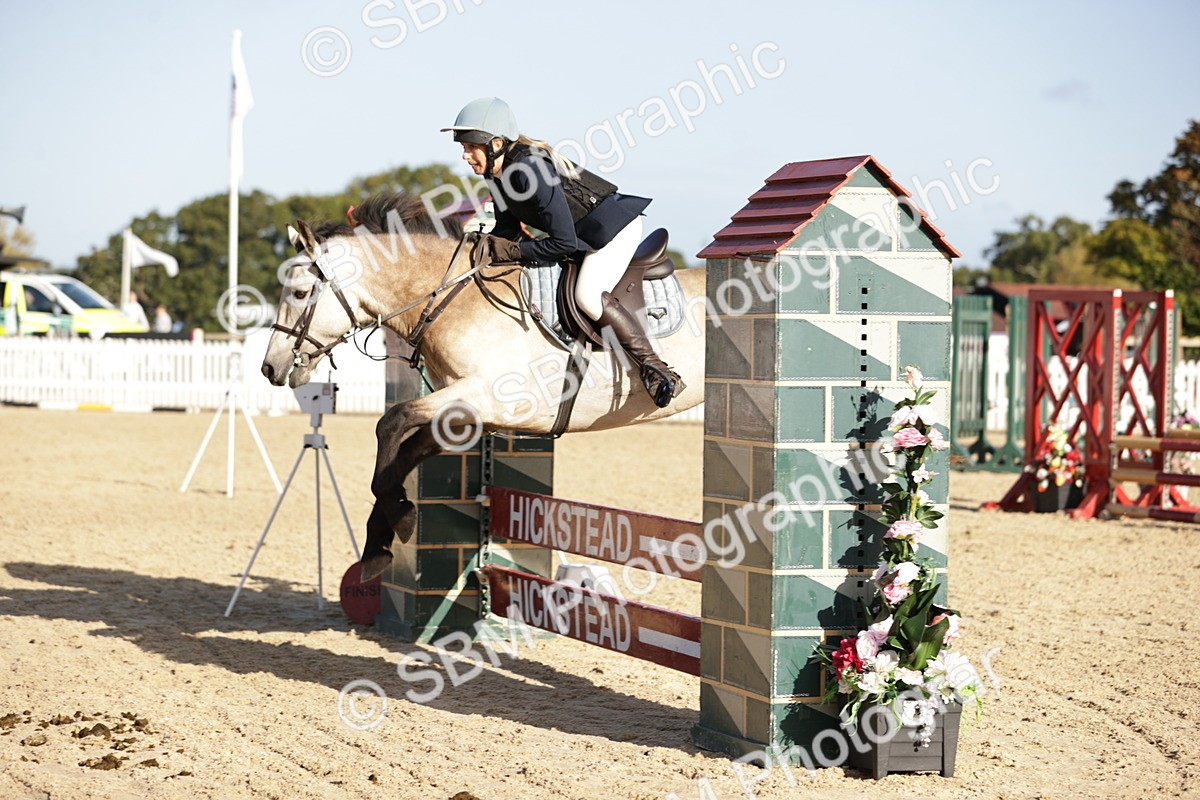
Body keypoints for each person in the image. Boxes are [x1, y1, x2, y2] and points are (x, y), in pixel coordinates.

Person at [441, 97, 682, 407]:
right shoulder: (497, 174)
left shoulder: (530, 171)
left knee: (587, 296)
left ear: (496, 144)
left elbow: (563, 243)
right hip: (582, 235)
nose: (465, 155)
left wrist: (512, 251)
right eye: (464, 148)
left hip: (612, 231)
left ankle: (656, 368)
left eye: (470, 147)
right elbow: (507, 229)